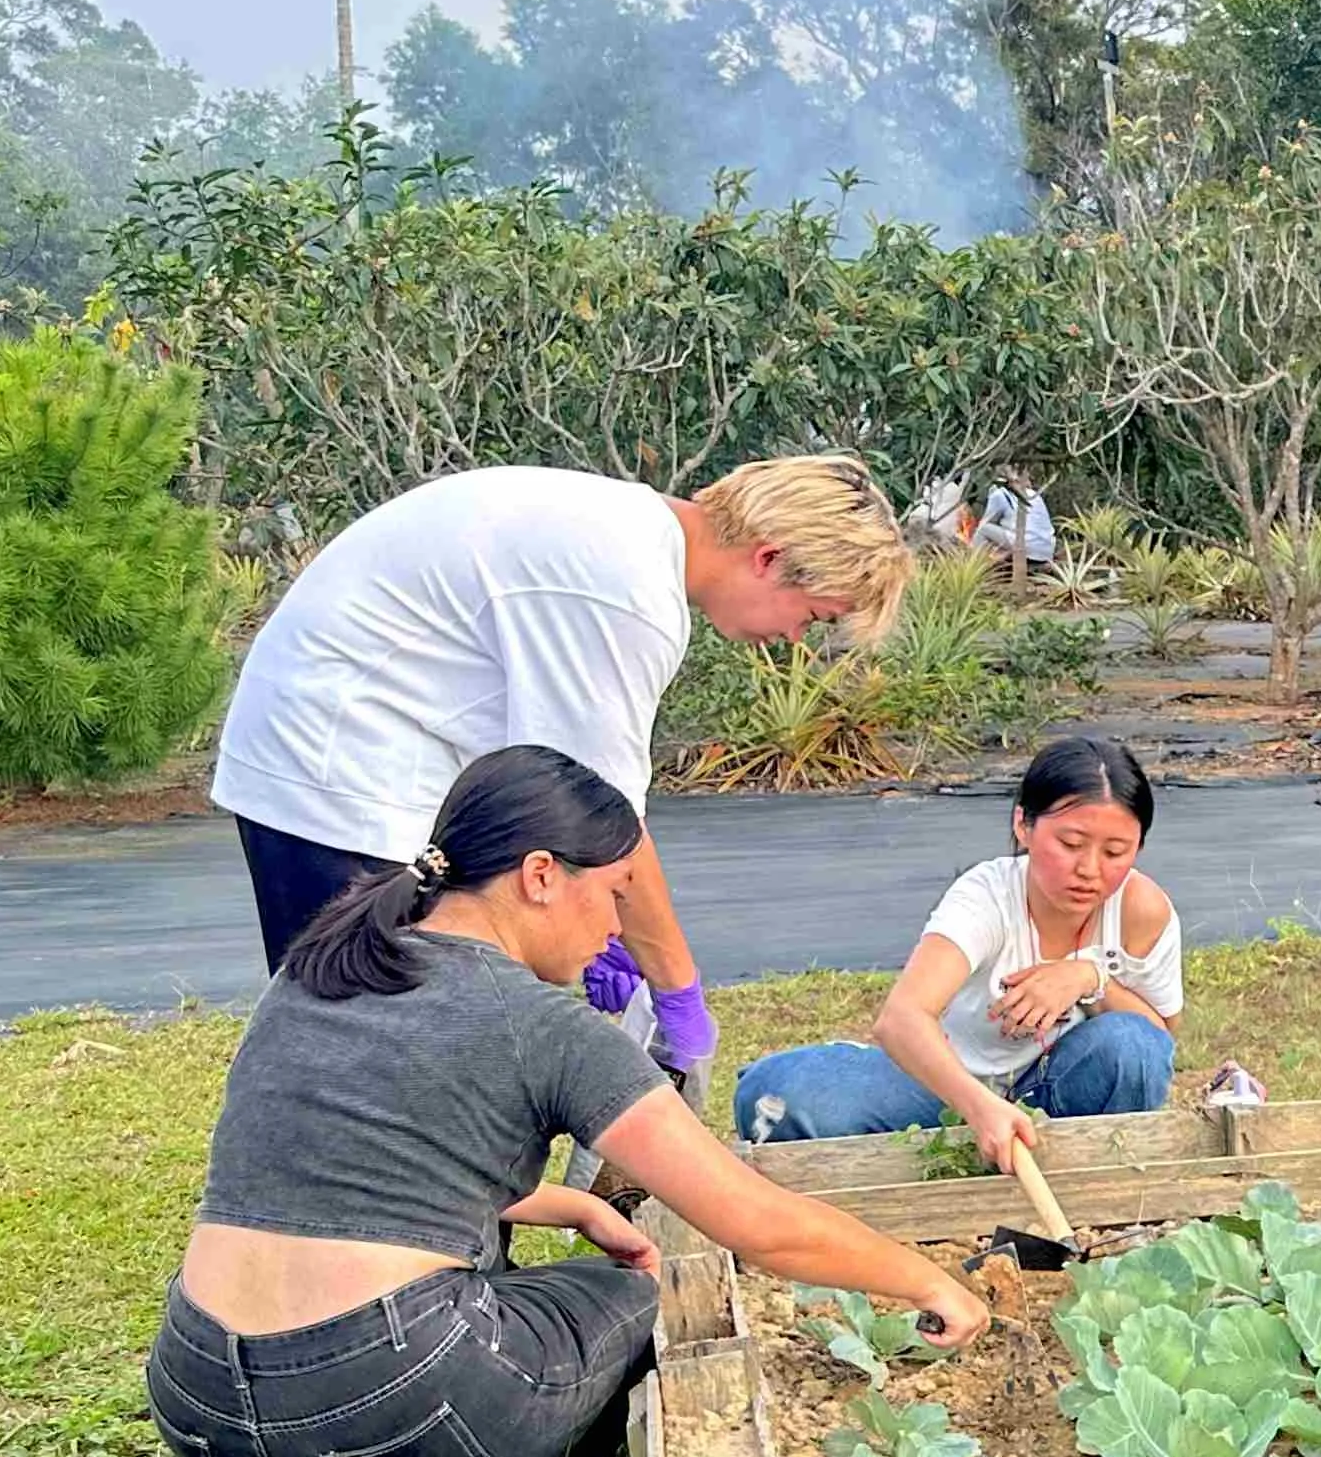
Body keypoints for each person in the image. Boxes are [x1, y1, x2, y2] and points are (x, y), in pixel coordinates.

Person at [151, 745, 990, 1457]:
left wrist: (572, 1205)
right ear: (543, 876)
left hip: (201, 1406)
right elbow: (754, 1221)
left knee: (477, 1303)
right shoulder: (545, 1026)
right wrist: (930, 1283)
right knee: (634, 1300)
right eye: (615, 892)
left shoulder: (322, 969)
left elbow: (354, 1176)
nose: (618, 926)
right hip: (386, 1397)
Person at [210, 455, 921, 1080]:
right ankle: (370, 1227)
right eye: (814, 616)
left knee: (420, 1043)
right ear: (767, 559)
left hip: (359, 754)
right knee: (378, 1062)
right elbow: (600, 818)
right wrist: (676, 989)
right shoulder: (626, 591)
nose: (795, 640)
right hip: (337, 773)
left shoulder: (623, 532)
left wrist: (600, 925)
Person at [731, 736, 1194, 1152]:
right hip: (940, 1092)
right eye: (1071, 843)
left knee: (1133, 1045)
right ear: (1023, 825)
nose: (1090, 869)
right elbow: (901, 1020)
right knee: (775, 1093)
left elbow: (1156, 1039)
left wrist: (1088, 978)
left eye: (1115, 852)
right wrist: (980, 1109)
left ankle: (1085, 1176)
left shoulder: (1141, 909)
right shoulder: (986, 895)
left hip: (1055, 1091)